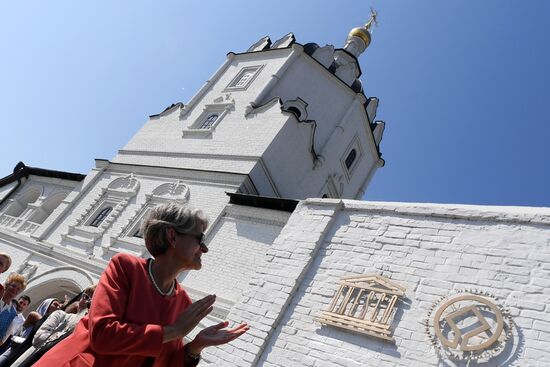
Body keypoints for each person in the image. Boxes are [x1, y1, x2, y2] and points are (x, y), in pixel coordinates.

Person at [35, 202, 248, 366]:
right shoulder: (126, 267)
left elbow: (163, 362)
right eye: (200, 239)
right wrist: (174, 330)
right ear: (172, 237)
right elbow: (102, 335)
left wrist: (196, 346)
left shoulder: (182, 301)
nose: (204, 249)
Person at [9, 286, 96, 367]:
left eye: (92, 301)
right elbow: (39, 338)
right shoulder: (60, 314)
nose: (86, 301)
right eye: (85, 297)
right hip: (35, 356)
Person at [0, 274, 26, 344]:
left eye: (18, 289)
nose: (15, 290)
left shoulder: (12, 313)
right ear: (7, 285)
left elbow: (3, 335)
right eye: (13, 286)